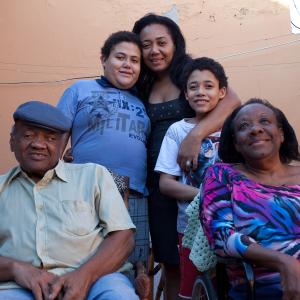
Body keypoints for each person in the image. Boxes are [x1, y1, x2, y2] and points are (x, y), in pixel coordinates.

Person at [132, 13, 240, 298]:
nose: (154, 51)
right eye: (145, 45)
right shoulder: (140, 84)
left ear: (175, 43)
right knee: (171, 260)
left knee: (213, 261)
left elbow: (232, 100)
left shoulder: (192, 75)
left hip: (194, 179)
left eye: (161, 42)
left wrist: (195, 136)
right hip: (160, 183)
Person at [0, 100, 139, 300]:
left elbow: (123, 238)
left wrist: (84, 276)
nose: (38, 144)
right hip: (18, 287)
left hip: (97, 280)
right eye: (29, 135)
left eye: (50, 138)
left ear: (61, 145)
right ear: (12, 141)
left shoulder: (94, 175)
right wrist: (15, 268)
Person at [56, 31, 151, 298]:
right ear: (104, 59)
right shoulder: (80, 89)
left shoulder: (142, 101)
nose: (127, 65)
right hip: (84, 194)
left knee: (133, 269)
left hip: (134, 196)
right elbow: (57, 139)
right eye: (120, 57)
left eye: (134, 60)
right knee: (79, 261)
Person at [200, 98, 300, 299]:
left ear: (281, 134)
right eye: (244, 126)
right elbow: (221, 236)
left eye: (264, 121)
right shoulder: (221, 175)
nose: (255, 129)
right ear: (236, 143)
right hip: (261, 286)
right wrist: (283, 262)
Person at [155, 57, 227, 299]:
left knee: (230, 286)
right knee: (192, 289)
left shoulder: (235, 127)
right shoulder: (177, 130)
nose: (201, 92)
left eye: (209, 86)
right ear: (185, 94)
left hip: (232, 224)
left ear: (222, 92)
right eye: (193, 87)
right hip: (190, 226)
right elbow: (166, 183)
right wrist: (206, 196)